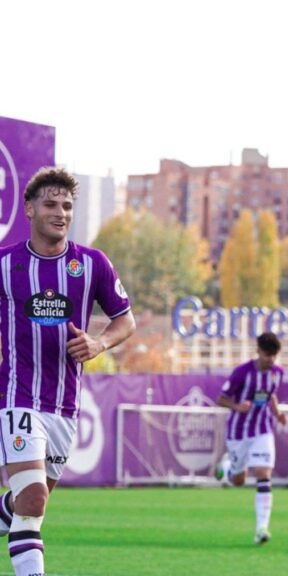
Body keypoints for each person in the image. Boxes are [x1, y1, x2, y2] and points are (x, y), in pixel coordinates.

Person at [0, 167, 136, 576]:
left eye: (67, 206)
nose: (60, 213)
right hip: (16, 398)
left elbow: (125, 321)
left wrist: (99, 343)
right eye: (51, 204)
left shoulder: (91, 264)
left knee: (27, 508)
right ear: (29, 209)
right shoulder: (5, 265)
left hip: (64, 407)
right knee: (35, 498)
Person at [214, 331, 288, 545]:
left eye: (274, 355)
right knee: (238, 481)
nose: (271, 360)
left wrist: (278, 413)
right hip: (238, 433)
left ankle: (261, 529)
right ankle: (227, 467)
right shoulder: (241, 373)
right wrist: (237, 406)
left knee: (264, 474)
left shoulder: (277, 373)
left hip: (263, 430)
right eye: (267, 355)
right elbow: (220, 398)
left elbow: (271, 395)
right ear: (258, 351)